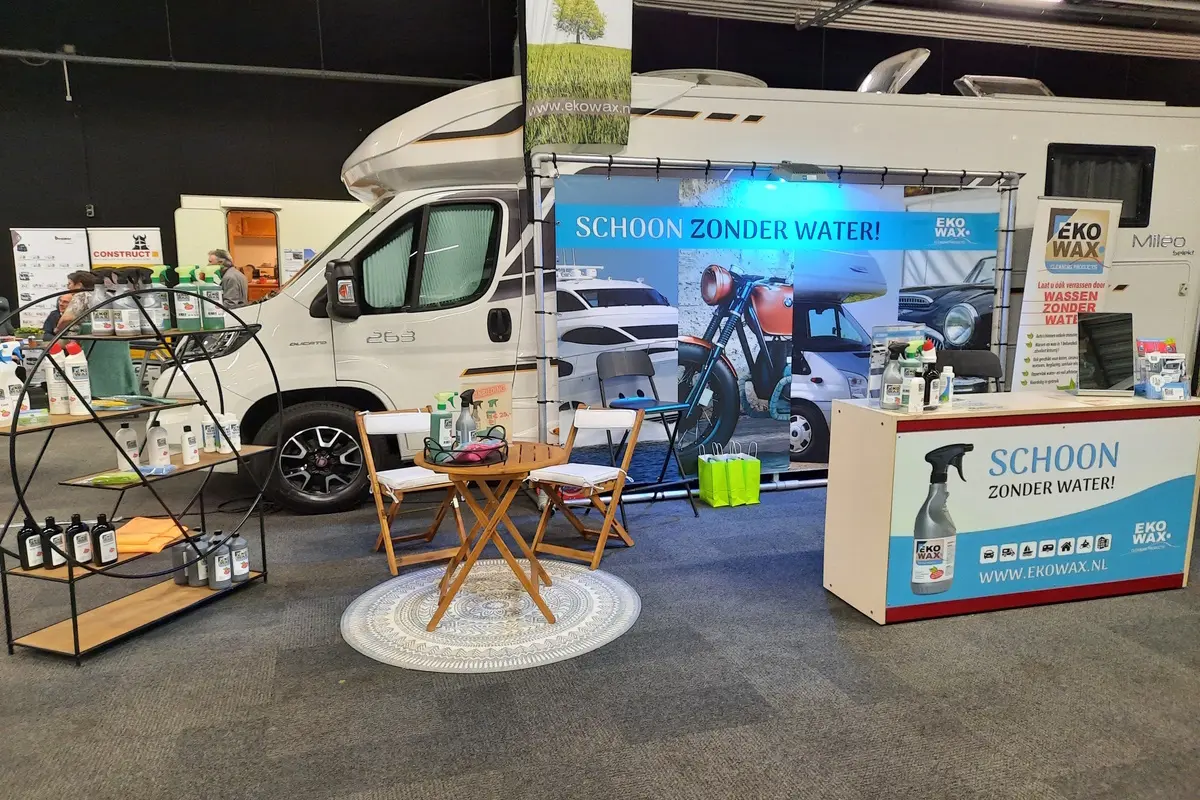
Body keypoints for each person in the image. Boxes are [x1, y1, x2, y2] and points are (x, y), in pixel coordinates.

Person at [56, 271, 138, 398]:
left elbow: (67, 318)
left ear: (79, 285)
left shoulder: (81, 295)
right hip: (116, 344)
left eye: (70, 284)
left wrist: (58, 329)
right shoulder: (111, 294)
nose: (68, 287)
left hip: (88, 343)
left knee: (53, 349)